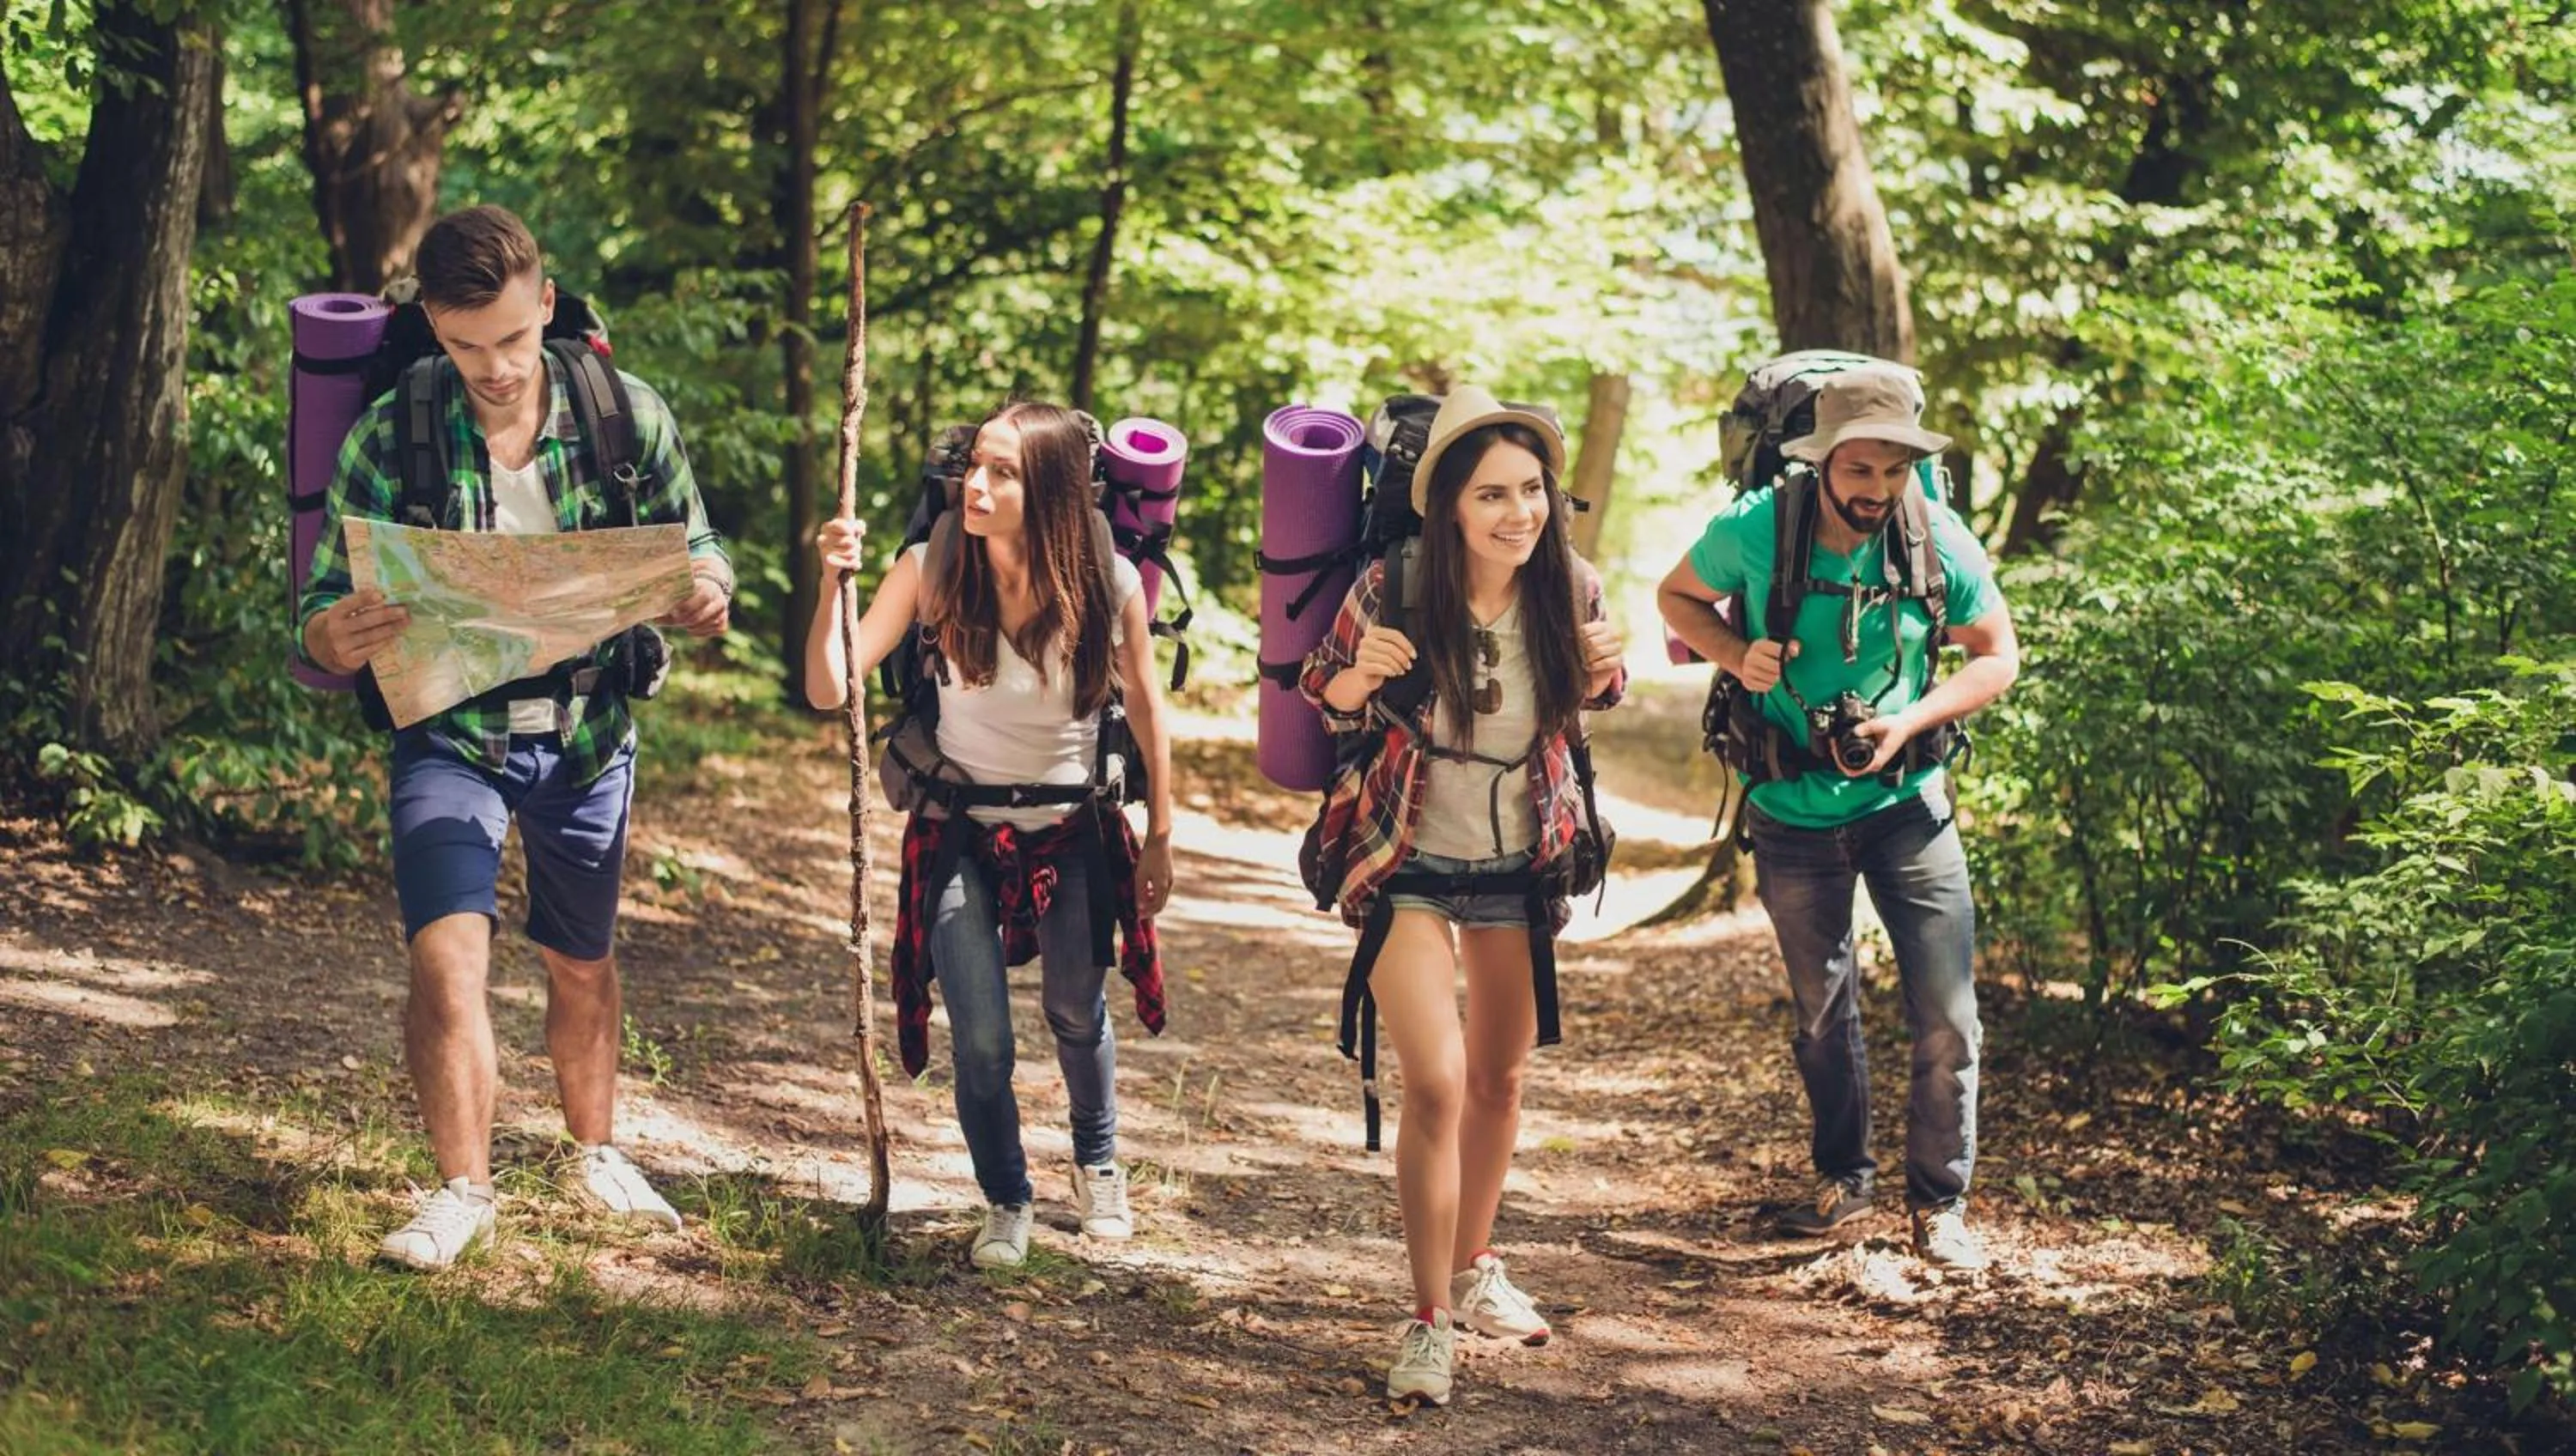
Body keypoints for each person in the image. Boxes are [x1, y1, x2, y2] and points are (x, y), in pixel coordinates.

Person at [298, 204, 733, 1271]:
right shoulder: (391, 431)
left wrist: (706, 590)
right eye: (463, 344)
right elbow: (312, 606)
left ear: (545, 303)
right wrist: (336, 630)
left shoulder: (625, 413)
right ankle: (462, 1188)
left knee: (580, 962)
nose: (492, 367)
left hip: (588, 734)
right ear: (432, 329)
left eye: (510, 337)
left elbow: (704, 544)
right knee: (448, 963)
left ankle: (598, 1153)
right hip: (451, 736)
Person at [1298, 387, 1626, 1406]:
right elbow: (1319, 685)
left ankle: (1477, 1264)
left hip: (1523, 870)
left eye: (1532, 490)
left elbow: (1593, 698)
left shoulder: (1570, 588)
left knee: (1500, 1080)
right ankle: (1429, 1316)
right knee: (1435, 1082)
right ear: (1447, 504)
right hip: (1407, 864)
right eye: (1493, 494)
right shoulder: (1391, 586)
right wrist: (1355, 679)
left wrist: (1612, 673)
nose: (1518, 512)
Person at [1655, 365, 2020, 1271]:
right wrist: (1740, 656)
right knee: (1823, 1013)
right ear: (1822, 463)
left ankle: (1941, 1206)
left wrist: (1910, 722)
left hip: (1908, 808)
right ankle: (1844, 1179)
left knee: (1949, 1014)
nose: (1877, 492)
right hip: (1790, 812)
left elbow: (1996, 655)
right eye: (1860, 472)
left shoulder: (1937, 536)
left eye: (1893, 473)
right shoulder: (1759, 527)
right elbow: (1675, 598)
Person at [807, 401, 1174, 1270]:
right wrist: (834, 582)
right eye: (974, 463)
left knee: (1074, 1012)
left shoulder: (1107, 579)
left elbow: (1150, 708)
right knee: (980, 1037)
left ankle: (1097, 1163)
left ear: (1047, 486)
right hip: (961, 832)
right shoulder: (931, 567)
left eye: (1002, 471)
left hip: (1073, 825)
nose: (975, 484)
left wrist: (1162, 830)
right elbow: (830, 687)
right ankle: (1007, 1197)